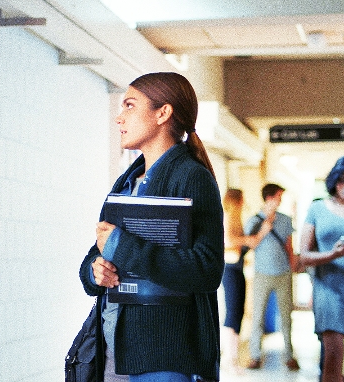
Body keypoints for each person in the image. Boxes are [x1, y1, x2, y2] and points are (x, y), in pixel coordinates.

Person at [79, 72, 224, 382]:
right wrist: (95, 271)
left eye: (130, 105)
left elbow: (207, 269)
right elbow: (100, 249)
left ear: (163, 113)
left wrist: (121, 247)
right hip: (114, 350)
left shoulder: (191, 177)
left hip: (164, 358)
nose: (119, 117)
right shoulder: (127, 181)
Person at [244, 183, 299, 371]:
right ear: (269, 198)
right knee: (258, 316)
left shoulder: (285, 220)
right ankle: (255, 356)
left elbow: (289, 246)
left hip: (283, 273)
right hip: (262, 274)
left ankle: (289, 356)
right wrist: (263, 230)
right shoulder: (254, 221)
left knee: (286, 317)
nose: (280, 200)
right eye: (278, 197)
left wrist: (293, 266)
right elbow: (250, 244)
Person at [299, 157, 344, 382]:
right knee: (333, 356)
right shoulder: (317, 209)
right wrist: (333, 254)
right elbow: (304, 256)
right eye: (342, 180)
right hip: (328, 289)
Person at [220, 188, 273, 373]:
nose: (243, 203)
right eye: (241, 199)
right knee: (232, 313)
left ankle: (231, 358)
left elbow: (248, 243)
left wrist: (254, 237)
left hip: (237, 268)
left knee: (238, 313)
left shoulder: (236, 220)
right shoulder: (227, 218)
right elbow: (229, 241)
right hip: (230, 269)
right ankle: (229, 359)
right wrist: (250, 238)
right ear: (236, 201)